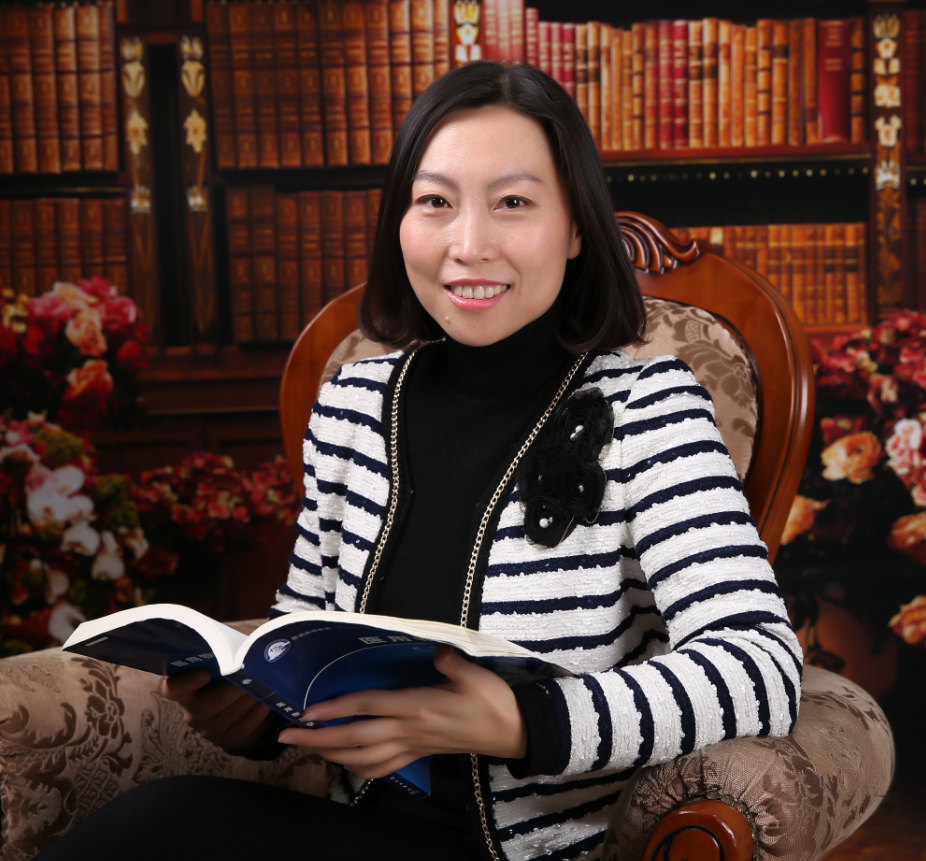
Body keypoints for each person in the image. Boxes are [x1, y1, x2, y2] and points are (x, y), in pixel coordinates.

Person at [37, 61, 802, 861]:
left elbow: (761, 665)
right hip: (354, 834)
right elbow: (299, 636)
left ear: (577, 227)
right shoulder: (353, 404)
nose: (468, 246)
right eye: (435, 202)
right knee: (149, 826)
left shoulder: (648, 406)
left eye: (513, 203)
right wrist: (250, 716)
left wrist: (522, 720)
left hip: (528, 853)